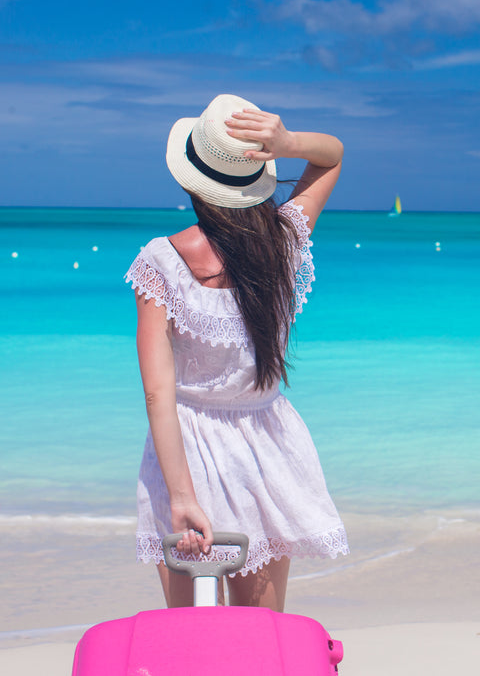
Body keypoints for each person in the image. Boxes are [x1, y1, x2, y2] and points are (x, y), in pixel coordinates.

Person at [125, 94, 349, 611]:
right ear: (257, 176)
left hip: (185, 452)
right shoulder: (284, 241)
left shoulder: (162, 261)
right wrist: (288, 142)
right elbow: (332, 156)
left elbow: (158, 395)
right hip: (266, 446)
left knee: (190, 637)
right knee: (258, 634)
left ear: (190, 180)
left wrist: (182, 497)